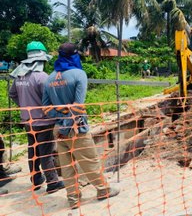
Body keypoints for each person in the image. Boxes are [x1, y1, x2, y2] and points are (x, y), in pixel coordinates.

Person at [42, 43, 120, 209]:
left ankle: (73, 199)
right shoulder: (79, 74)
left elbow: (46, 109)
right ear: (74, 56)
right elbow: (78, 106)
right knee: (90, 161)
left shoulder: (49, 79)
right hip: (78, 128)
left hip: (60, 131)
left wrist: (60, 114)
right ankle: (103, 190)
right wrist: (69, 114)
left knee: (67, 167)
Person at [9, 41, 64, 193]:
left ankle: (36, 179)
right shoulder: (42, 77)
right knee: (46, 150)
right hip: (43, 121)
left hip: (28, 120)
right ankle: (52, 182)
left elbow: (12, 93)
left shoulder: (19, 76)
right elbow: (52, 98)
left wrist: (24, 105)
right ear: (41, 60)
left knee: (33, 149)